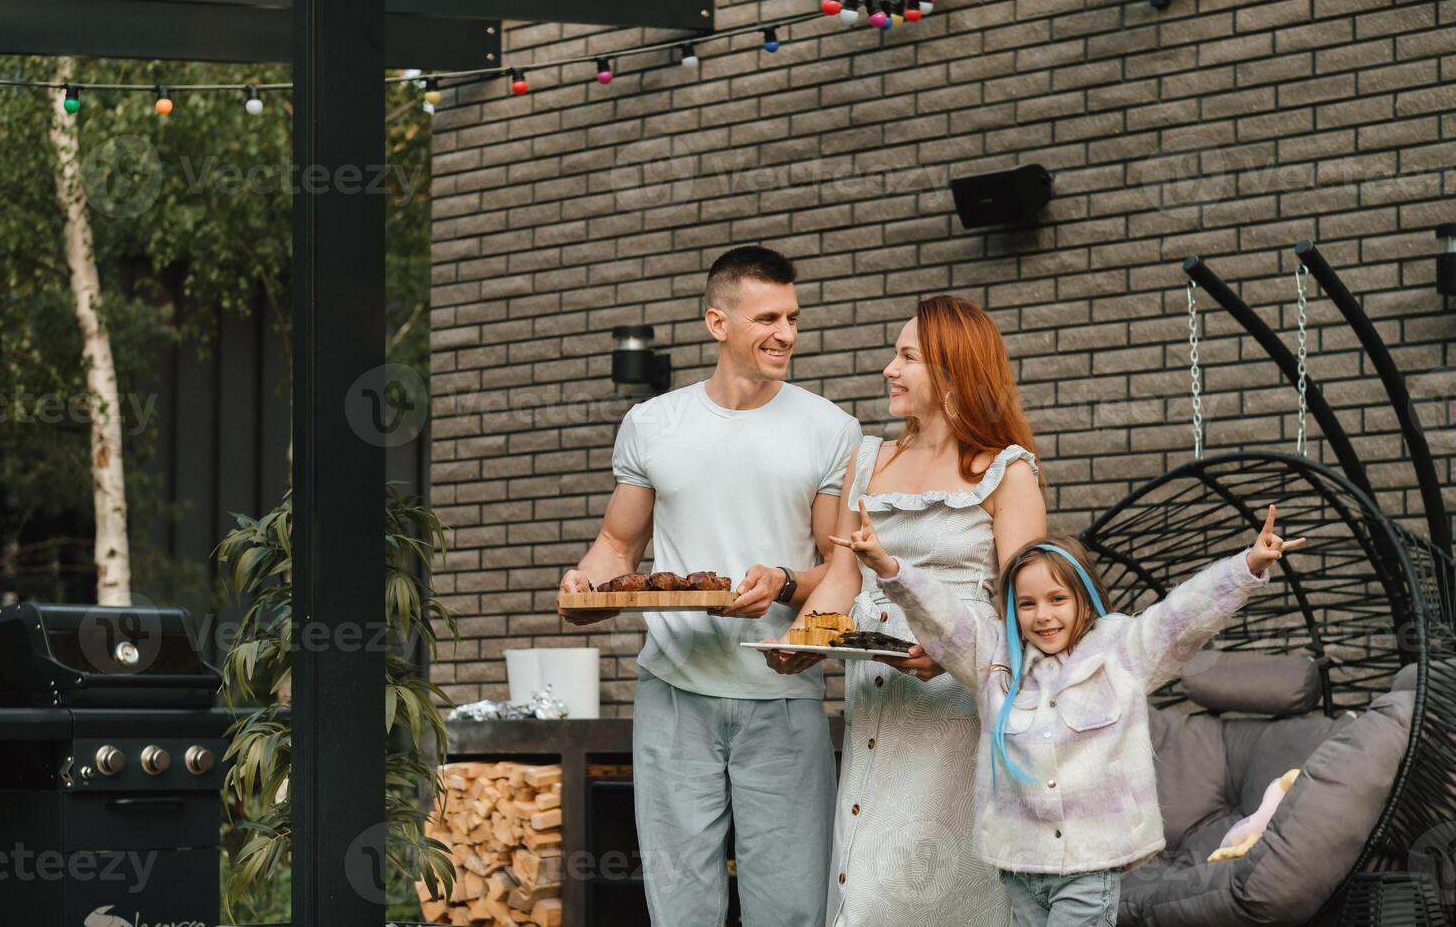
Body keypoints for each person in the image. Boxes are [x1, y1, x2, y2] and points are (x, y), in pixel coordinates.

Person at [557, 245, 862, 927]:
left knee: (789, 911)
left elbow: (839, 570)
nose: (786, 333)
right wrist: (584, 585)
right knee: (680, 908)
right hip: (673, 694)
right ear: (717, 323)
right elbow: (618, 545)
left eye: (793, 316)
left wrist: (784, 584)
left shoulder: (831, 430)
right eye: (768, 318)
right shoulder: (653, 424)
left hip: (782, 697)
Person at [836, 503, 1305, 926]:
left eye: (1057, 599)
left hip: (1087, 868)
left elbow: (1184, 615)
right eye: (1027, 604)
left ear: (1084, 599)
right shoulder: (994, 660)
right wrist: (887, 566)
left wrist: (1247, 566)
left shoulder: (1124, 651)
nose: (1043, 615)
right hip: (1019, 869)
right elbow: (942, 615)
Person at [765, 295, 1046, 927]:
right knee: (863, 881)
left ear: (952, 372)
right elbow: (842, 577)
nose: (889, 369)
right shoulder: (867, 461)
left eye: (906, 356)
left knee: (934, 888)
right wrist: (804, 640)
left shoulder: (1007, 473)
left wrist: (951, 651)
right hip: (876, 700)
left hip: (960, 711)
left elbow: (1023, 610)